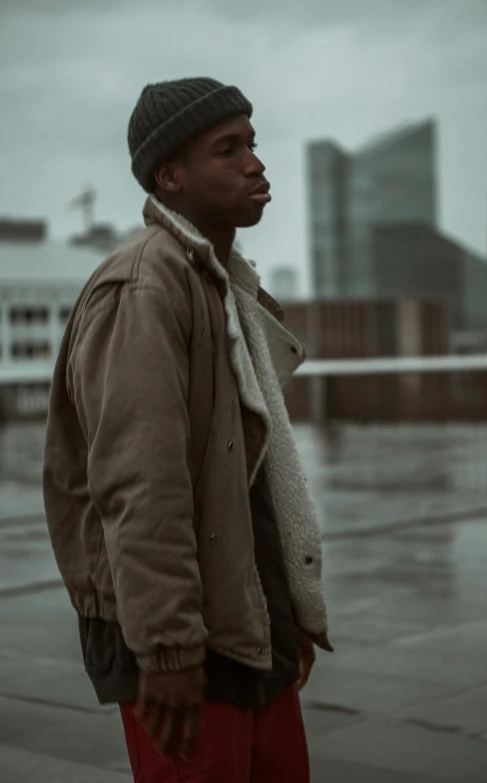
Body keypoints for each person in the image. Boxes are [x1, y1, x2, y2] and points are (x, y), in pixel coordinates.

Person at [43, 77, 332, 783]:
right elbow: (141, 485)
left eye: (253, 145)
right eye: (227, 149)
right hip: (180, 646)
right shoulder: (146, 287)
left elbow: (248, 476)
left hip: (243, 617)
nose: (255, 164)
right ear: (169, 175)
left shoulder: (220, 283)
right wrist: (167, 653)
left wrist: (283, 608)